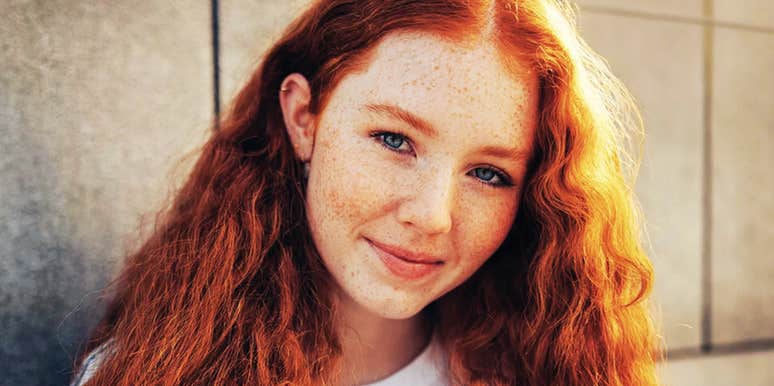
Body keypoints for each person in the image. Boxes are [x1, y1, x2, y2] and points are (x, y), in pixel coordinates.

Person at [70, 0, 660, 385]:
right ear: (305, 118)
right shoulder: (148, 373)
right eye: (394, 139)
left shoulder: (548, 374)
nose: (433, 216)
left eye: (488, 174)